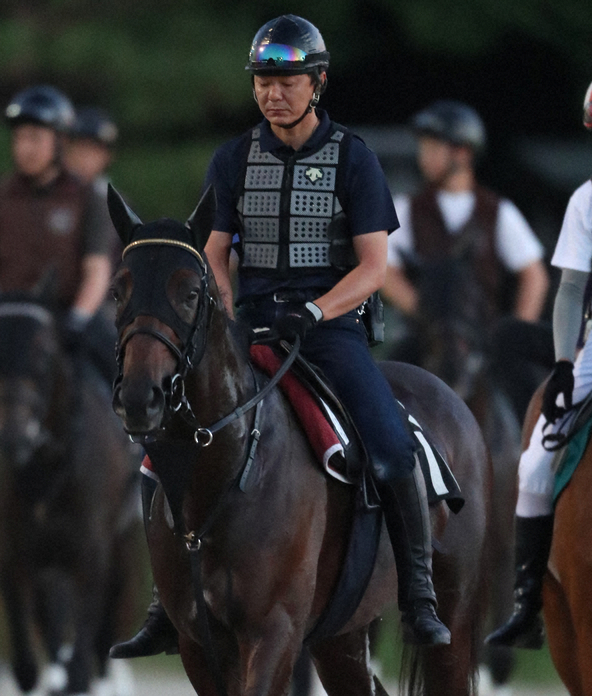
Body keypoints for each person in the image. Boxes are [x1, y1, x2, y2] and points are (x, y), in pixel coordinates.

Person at [111, 14, 452, 660]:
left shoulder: (354, 158)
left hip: (331, 334)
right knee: (162, 451)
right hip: (248, 331)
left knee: (389, 445)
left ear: (316, 83)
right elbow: (212, 253)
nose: (273, 92)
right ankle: (167, 604)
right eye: (264, 81)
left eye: (286, 80)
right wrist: (222, 307)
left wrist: (318, 313)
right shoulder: (233, 159)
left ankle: (420, 595)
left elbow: (374, 268)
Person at [486, 82, 592, 648]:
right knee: (532, 468)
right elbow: (570, 289)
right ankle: (528, 603)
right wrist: (562, 364)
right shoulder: (586, 201)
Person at [382, 100, 551, 423]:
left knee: (531, 406)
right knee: (383, 386)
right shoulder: (408, 208)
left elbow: (533, 274)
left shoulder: (497, 211)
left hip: (484, 340)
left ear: (462, 152)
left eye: (434, 148)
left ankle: (539, 459)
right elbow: (385, 270)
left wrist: (514, 328)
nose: (424, 156)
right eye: (424, 148)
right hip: (426, 340)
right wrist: (427, 313)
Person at [0, 85, 116, 384]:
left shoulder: (87, 198)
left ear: (60, 141)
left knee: (121, 373)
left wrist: (78, 318)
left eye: (35, 138)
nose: (25, 148)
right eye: (19, 138)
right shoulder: (3, 196)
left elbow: (96, 270)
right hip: (8, 317)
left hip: (67, 317)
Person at [63, 106, 118, 187]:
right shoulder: (43, 190)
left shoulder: (110, 198)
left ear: (107, 157)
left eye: (95, 151)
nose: (86, 158)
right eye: (81, 147)